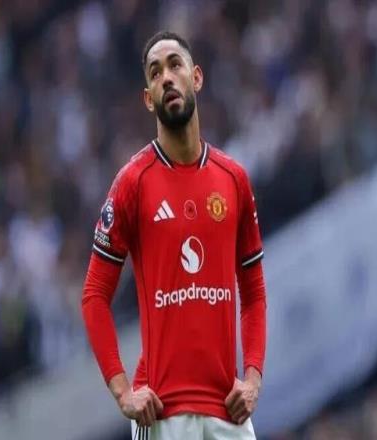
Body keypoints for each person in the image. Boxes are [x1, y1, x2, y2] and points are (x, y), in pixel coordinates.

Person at [81, 31, 267, 440]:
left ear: (196, 77)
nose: (166, 77)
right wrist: (123, 392)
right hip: (163, 414)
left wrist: (252, 378)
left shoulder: (233, 179)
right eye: (155, 72)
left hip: (229, 411)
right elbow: (94, 295)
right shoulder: (132, 183)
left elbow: (253, 292)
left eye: (174, 65)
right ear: (148, 99)